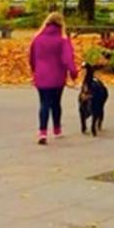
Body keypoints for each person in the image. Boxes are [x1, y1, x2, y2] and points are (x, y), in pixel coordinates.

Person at [28, 12, 78, 144]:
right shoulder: (62, 40)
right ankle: (57, 129)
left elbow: (32, 58)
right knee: (56, 103)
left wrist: (34, 71)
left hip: (41, 76)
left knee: (44, 103)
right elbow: (68, 59)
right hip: (57, 76)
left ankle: (42, 132)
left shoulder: (37, 38)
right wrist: (73, 74)